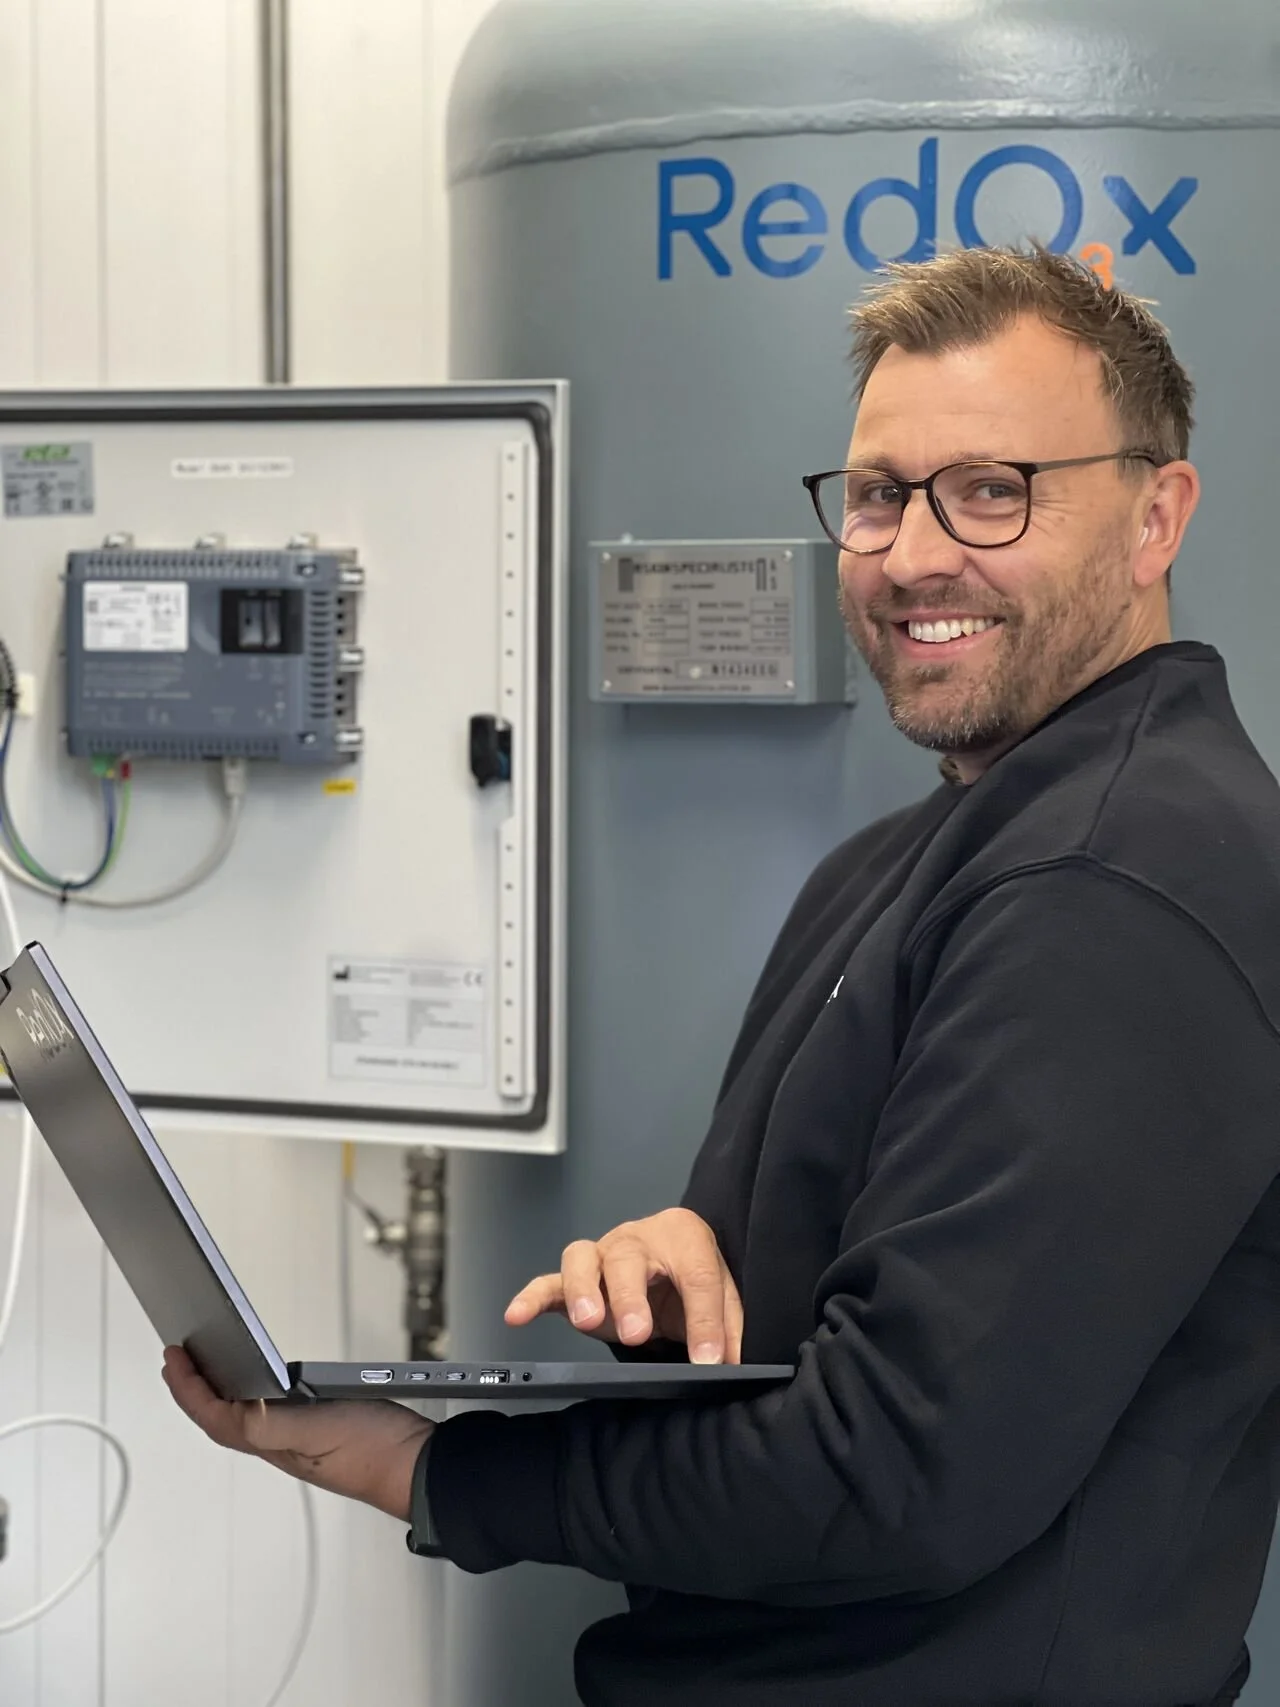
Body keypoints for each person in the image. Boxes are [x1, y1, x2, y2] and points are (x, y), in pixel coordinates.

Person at [165, 245, 1280, 1707]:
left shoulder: (1112, 881)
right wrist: (701, 1263)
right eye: (879, 493)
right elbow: (848, 1317)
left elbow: (895, 1469)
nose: (916, 551)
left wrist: (442, 1471)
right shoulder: (904, 863)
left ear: (1155, 516)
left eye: (994, 488)